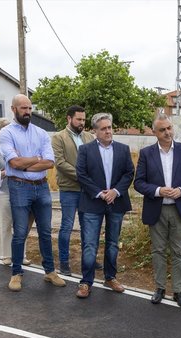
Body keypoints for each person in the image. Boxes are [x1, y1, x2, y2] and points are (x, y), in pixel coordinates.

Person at [0, 94, 66, 292]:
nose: (27, 112)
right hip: (19, 187)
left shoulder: (42, 133)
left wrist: (26, 165)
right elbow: (13, 162)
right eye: (23, 108)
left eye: (29, 108)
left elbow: (50, 163)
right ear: (13, 109)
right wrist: (35, 159)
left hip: (42, 186)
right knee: (20, 232)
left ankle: (50, 272)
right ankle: (16, 273)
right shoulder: (6, 133)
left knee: (45, 231)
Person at [134, 114, 181, 309]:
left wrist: (180, 191)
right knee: (158, 251)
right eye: (162, 130)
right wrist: (158, 191)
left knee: (179, 252)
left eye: (169, 128)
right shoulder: (146, 153)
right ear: (154, 132)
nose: (167, 132)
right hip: (157, 209)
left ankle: (179, 291)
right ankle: (160, 288)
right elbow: (138, 182)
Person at [74, 113, 134, 299]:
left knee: (113, 244)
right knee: (90, 244)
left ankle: (110, 277)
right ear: (95, 131)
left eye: (110, 127)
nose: (108, 131)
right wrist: (100, 193)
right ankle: (86, 281)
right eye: (103, 128)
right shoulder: (85, 150)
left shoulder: (123, 149)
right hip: (93, 203)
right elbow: (81, 175)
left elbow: (129, 173)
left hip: (116, 202)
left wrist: (115, 191)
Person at [51, 105, 94, 276]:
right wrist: (82, 176)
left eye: (84, 119)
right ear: (69, 119)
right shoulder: (58, 138)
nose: (82, 122)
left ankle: (88, 259)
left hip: (87, 191)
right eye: (79, 119)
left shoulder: (90, 137)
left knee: (88, 227)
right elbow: (60, 163)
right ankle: (64, 262)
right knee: (67, 226)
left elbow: (94, 161)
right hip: (69, 189)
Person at [0, 117, 31, 266]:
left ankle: (21, 255)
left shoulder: (19, 149)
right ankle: (5, 255)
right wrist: (2, 173)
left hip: (21, 192)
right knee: (5, 225)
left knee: (21, 225)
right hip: (2, 193)